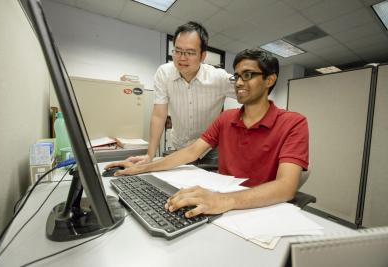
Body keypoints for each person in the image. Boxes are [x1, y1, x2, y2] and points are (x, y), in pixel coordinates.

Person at [106, 49, 309, 218]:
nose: (238, 83)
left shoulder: (293, 123)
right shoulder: (226, 118)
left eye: (247, 75)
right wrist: (144, 167)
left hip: (259, 210)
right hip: (219, 206)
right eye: (236, 76)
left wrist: (225, 200)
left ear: (269, 80)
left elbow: (286, 187)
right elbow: (191, 152)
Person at [126, 21, 235, 165]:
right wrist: (149, 155)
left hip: (210, 150)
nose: (182, 58)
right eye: (177, 51)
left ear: (203, 56)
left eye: (190, 53)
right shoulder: (164, 73)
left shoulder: (218, 77)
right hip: (180, 148)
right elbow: (159, 115)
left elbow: (249, 93)